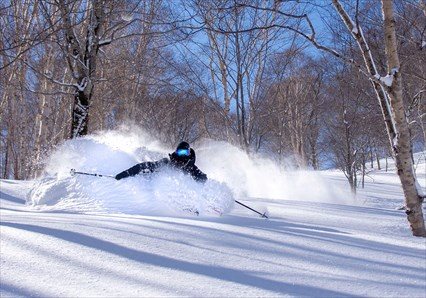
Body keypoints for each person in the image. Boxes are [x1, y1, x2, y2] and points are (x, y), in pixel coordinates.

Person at [115, 141, 207, 182]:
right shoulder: (167, 163)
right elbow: (146, 165)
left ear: (188, 153)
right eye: (180, 152)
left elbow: (203, 181)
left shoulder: (191, 168)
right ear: (176, 152)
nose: (182, 155)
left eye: (185, 152)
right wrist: (126, 173)